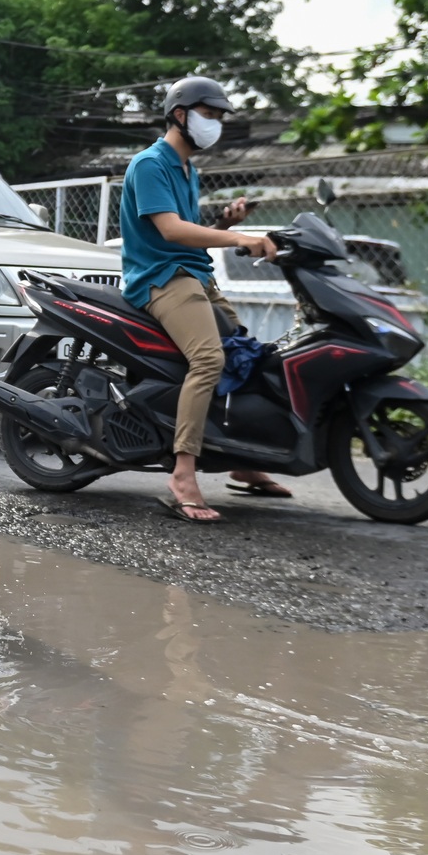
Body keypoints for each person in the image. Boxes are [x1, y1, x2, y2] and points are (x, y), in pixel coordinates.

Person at [120, 75, 285, 523]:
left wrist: (221, 218)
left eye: (217, 117)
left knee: (245, 353)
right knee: (210, 359)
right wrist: (238, 237)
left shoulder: (187, 168)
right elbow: (170, 231)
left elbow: (186, 225)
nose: (215, 125)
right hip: (160, 278)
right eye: (208, 116)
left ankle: (242, 459)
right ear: (180, 115)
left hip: (192, 275)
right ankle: (183, 473)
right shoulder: (151, 164)